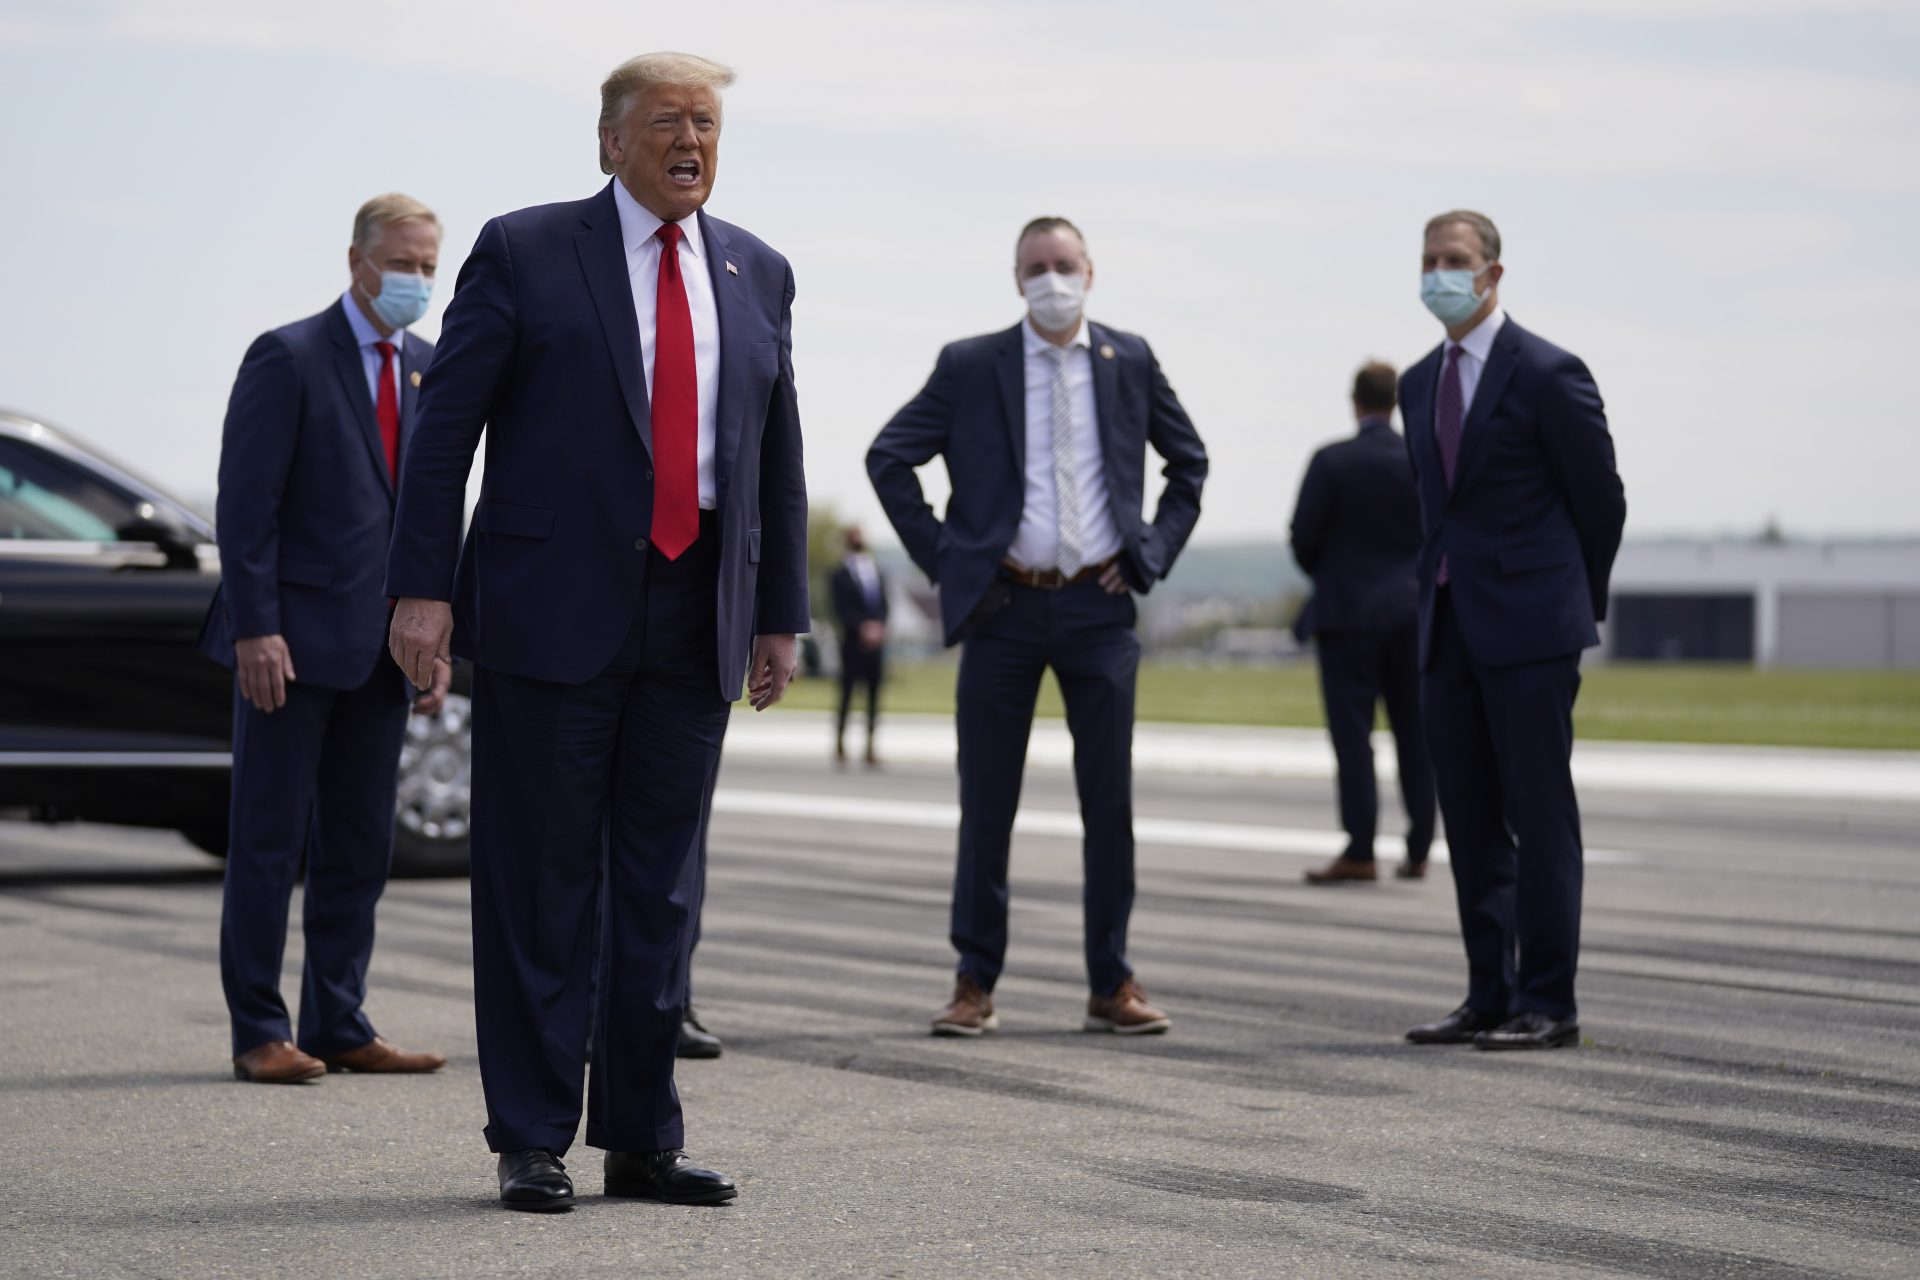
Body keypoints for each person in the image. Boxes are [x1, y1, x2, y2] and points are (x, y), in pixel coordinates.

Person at [385, 52, 807, 1210]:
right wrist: (423, 589)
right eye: (668, 121)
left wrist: (780, 612)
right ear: (611, 142)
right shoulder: (526, 249)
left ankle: (642, 1135)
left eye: (708, 123)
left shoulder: (755, 269)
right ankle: (531, 1134)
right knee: (539, 880)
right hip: (546, 614)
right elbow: (444, 434)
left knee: (663, 892)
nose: (691, 141)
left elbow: (775, 454)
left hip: (697, 612)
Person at [867, 216, 1207, 1039]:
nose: (1052, 278)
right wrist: (951, 559)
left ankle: (1111, 980)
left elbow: (1188, 464)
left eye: (1064, 264)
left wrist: (1151, 553)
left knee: (1109, 803)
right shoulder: (972, 363)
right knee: (987, 803)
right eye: (1036, 267)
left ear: (1091, 270)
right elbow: (889, 457)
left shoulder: (1131, 359)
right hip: (1003, 608)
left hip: (1100, 607)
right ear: (1016, 279)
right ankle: (973, 981)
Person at [199, 194, 452, 1085]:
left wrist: (434, 636)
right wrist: (256, 629)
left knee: (358, 846)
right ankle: (260, 1030)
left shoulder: (429, 367)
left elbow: (430, 519)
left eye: (429, 264)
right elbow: (246, 507)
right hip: (290, 648)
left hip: (381, 654)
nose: (417, 279)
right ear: (357, 262)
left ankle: (338, 1020)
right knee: (269, 842)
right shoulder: (290, 356)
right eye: (403, 263)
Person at [1397, 211, 1626, 1052]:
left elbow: (1600, 501)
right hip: (1447, 622)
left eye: (1454, 260)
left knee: (1539, 812)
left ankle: (1548, 1000)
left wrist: (1571, 599)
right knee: (1470, 815)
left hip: (1532, 625)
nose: (1438, 274)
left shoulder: (1548, 372)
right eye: (1428, 260)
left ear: (1493, 273)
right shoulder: (1418, 382)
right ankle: (1487, 993)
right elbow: (1436, 507)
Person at [1290, 360, 1435, 884]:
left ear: (1355, 402)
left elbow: (1303, 537)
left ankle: (1361, 847)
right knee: (1415, 734)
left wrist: (1333, 574)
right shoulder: (1420, 459)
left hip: (1347, 611)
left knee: (1353, 738)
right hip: (1411, 612)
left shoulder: (1332, 461)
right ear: (1393, 403)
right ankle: (1420, 846)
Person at [829, 525, 889, 766]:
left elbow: (884, 604)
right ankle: (840, 744)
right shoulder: (839, 574)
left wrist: (879, 627)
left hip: (875, 645)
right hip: (852, 644)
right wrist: (861, 627)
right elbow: (840, 607)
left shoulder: (876, 571)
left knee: (875, 697)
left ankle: (871, 746)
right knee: (846, 694)